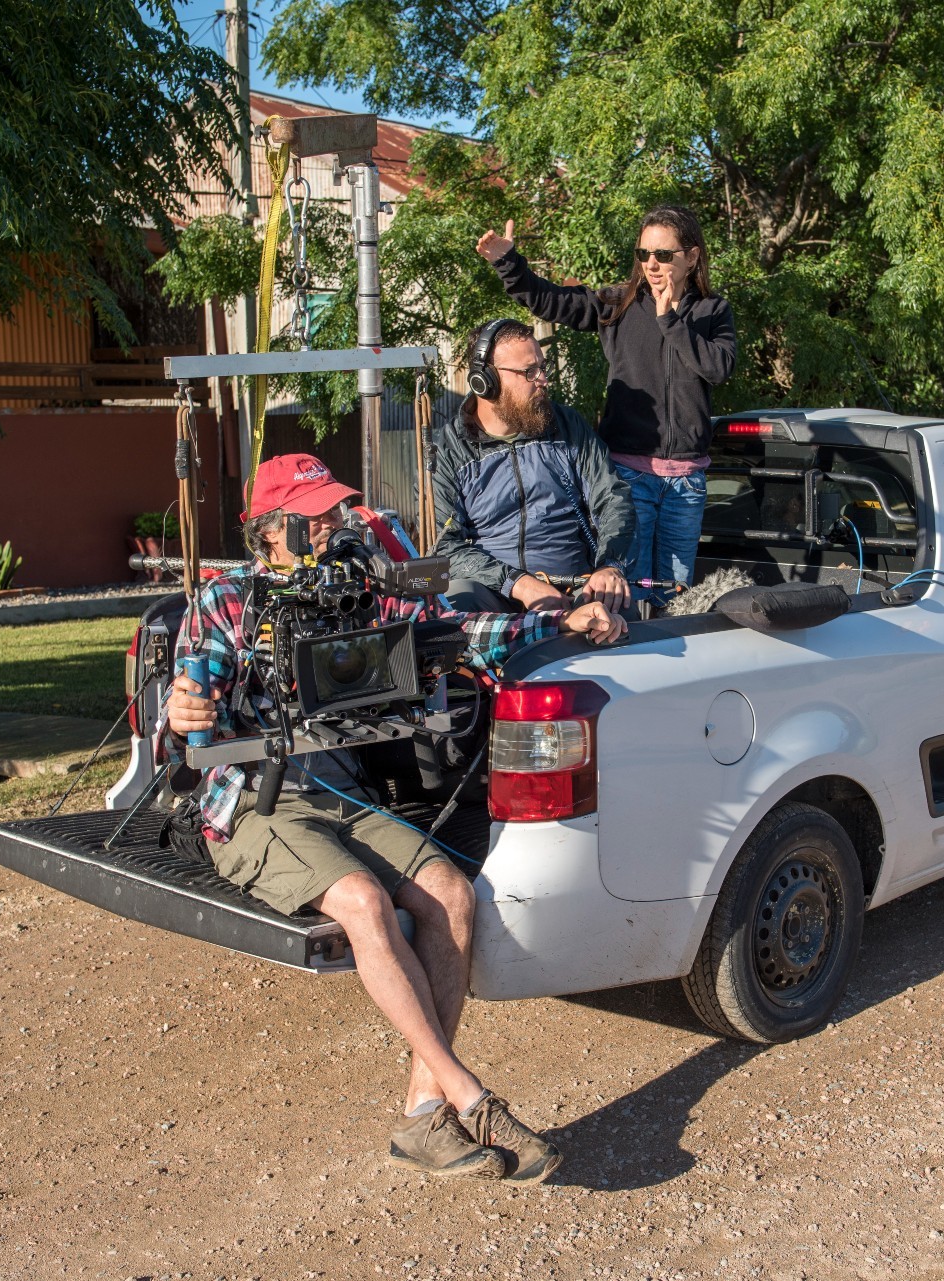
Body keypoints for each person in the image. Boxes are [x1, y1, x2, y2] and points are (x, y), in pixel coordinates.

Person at [161, 452, 626, 1182]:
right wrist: (184, 708)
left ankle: (421, 1112)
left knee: (450, 893)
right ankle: (468, 1093)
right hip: (254, 801)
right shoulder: (228, 599)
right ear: (275, 530)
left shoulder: (362, 591)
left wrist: (557, 619)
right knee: (363, 901)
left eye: (339, 512)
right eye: (321, 517)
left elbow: (458, 633)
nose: (339, 526)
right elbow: (188, 709)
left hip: (339, 793)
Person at [477, 206, 736, 606]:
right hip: (629, 476)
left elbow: (718, 368)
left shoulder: (712, 310)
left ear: (692, 256)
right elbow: (551, 301)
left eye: (664, 255)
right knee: (626, 594)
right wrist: (507, 263)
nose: (652, 264)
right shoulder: (619, 304)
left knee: (677, 596)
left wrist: (670, 320)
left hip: (686, 482)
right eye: (643, 254)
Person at [432, 318, 635, 615]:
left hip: (573, 586)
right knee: (455, 602)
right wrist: (519, 584)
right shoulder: (448, 451)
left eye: (542, 367)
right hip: (490, 591)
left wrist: (609, 565)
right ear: (485, 381)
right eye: (530, 372)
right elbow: (446, 547)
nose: (543, 379)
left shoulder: (568, 427)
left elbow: (613, 498)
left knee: (614, 610)